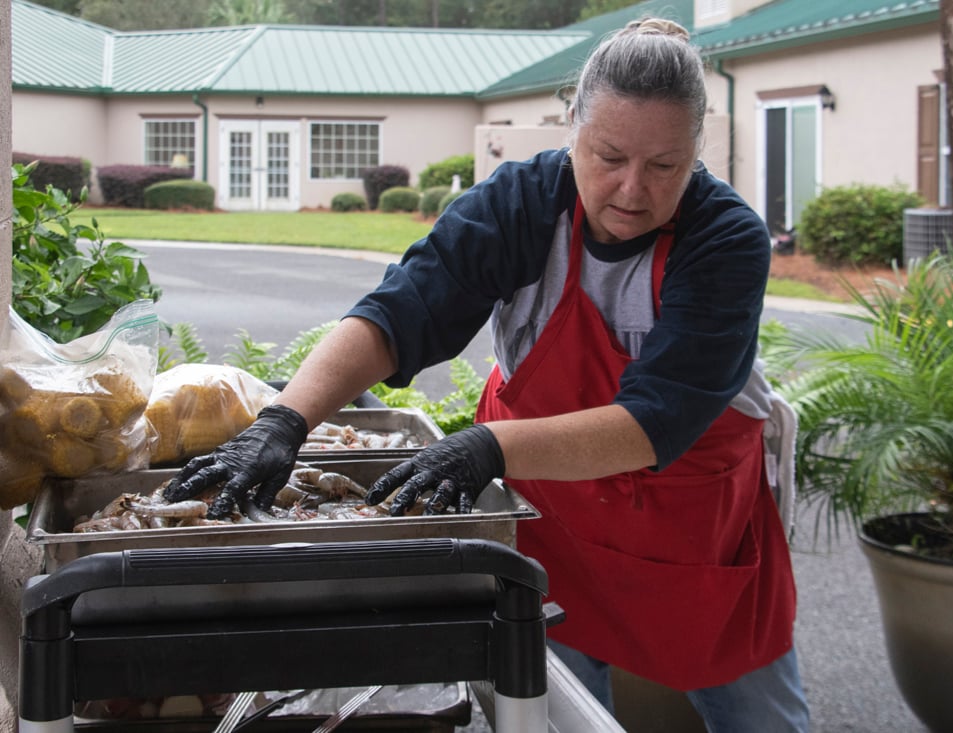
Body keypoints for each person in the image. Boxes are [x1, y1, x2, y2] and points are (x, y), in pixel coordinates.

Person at [166, 17, 811, 731]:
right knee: (556, 709)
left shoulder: (725, 240)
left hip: (691, 537)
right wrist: (285, 419)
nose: (632, 188)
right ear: (573, 129)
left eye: (665, 166)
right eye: (609, 156)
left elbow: (656, 418)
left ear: (698, 149)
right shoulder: (523, 203)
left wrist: (488, 448)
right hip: (552, 522)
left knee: (760, 716)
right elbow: (401, 310)